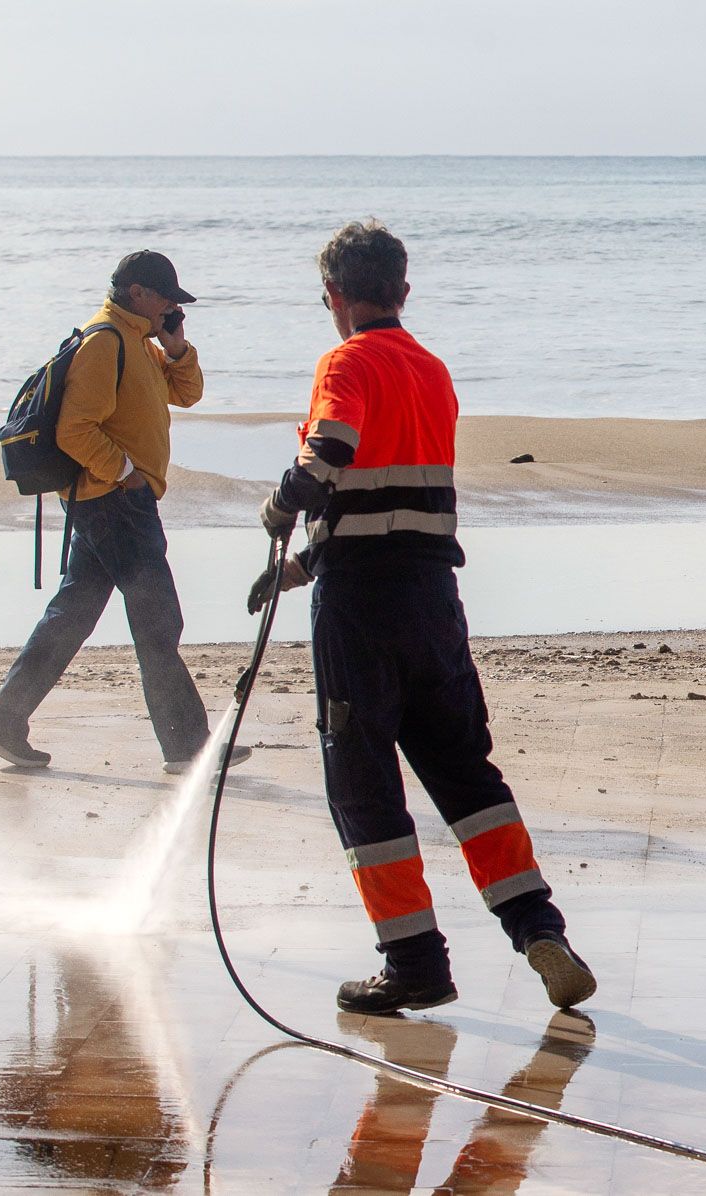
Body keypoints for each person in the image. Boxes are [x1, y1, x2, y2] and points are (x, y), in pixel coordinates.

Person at [252, 219, 595, 1015]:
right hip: (433, 600)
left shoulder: (346, 359)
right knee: (465, 773)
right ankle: (540, 929)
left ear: (332, 296)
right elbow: (394, 499)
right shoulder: (432, 371)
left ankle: (414, 962)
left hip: (362, 612)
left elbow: (332, 449)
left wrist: (280, 506)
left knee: (362, 783)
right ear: (403, 292)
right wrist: (304, 565)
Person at [0, 251, 247, 777]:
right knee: (157, 615)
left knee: (73, 614)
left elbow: (187, 393)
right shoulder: (105, 343)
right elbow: (74, 429)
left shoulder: (137, 343)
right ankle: (187, 746)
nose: (172, 305)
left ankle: (3, 721)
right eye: (166, 296)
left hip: (109, 501)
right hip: (115, 501)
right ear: (138, 293)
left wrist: (175, 344)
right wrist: (126, 474)